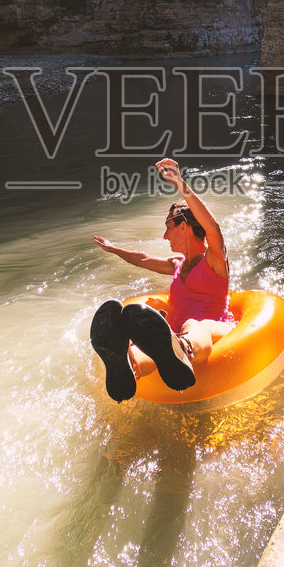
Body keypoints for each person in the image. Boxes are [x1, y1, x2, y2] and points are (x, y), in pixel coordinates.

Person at [89, 158, 237, 403]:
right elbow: (143, 259)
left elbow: (213, 227)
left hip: (213, 330)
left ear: (184, 226)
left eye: (168, 227)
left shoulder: (215, 261)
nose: (164, 235)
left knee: (193, 324)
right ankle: (129, 365)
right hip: (171, 337)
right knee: (150, 343)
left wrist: (180, 183)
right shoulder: (176, 265)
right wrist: (115, 249)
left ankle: (183, 349)